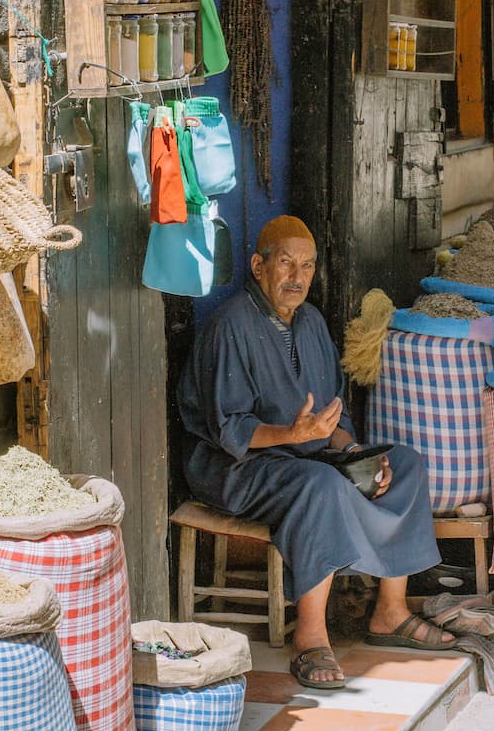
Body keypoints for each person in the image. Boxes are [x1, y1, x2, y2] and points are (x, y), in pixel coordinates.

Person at [177, 214, 452, 689]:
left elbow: (334, 419)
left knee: (403, 463)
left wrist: (357, 452)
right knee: (321, 485)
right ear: (258, 266)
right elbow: (230, 429)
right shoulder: (231, 326)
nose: (297, 277)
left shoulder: (311, 323)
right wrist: (292, 434)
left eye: (307, 266)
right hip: (236, 467)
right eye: (286, 264)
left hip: (301, 456)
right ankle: (310, 636)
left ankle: (389, 611)